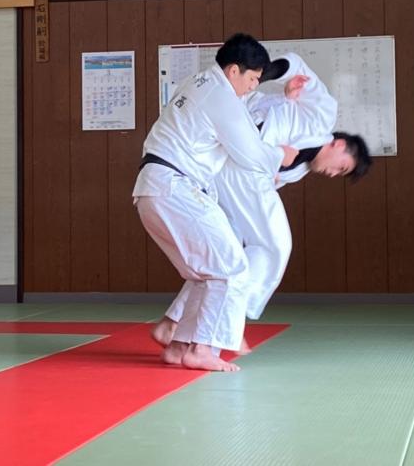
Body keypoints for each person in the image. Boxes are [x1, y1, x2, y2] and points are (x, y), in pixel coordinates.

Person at [153, 53, 372, 348]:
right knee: (274, 245)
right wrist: (262, 77)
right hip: (229, 167)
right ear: (340, 144)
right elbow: (294, 64)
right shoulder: (322, 114)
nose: (333, 174)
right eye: (341, 168)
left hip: (232, 177)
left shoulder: (297, 170)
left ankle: (173, 324)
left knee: (226, 252)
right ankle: (227, 322)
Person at [133, 33, 297, 372]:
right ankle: (203, 348)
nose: (253, 87)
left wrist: (283, 99)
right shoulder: (221, 96)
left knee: (204, 272)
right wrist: (278, 156)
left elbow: (242, 120)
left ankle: (179, 345)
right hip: (175, 188)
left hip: (155, 189)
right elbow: (250, 151)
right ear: (234, 70)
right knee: (232, 268)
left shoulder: (199, 84)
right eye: (253, 79)